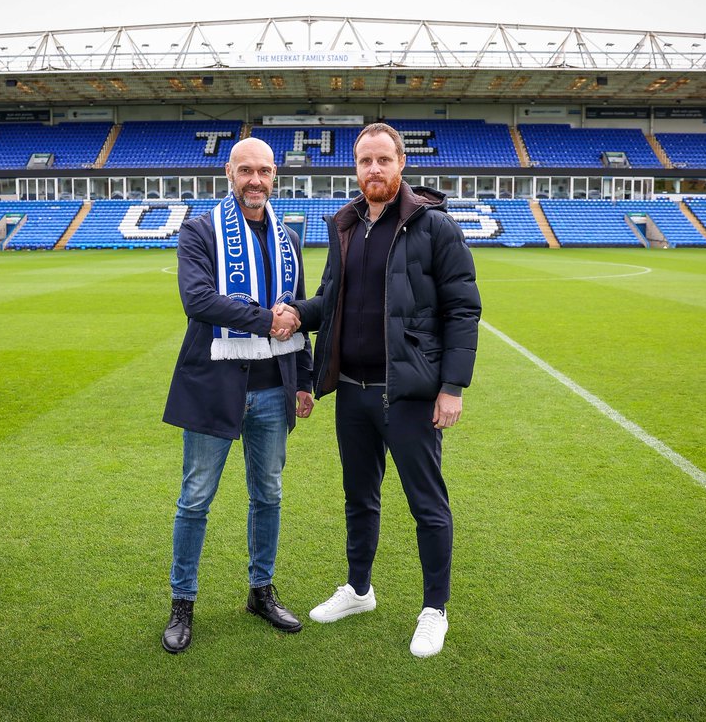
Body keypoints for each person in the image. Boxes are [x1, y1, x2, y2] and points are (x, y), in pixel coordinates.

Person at [278, 122, 480, 658]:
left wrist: (452, 386)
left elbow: (463, 308)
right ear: (356, 167)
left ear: (400, 165)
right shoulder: (345, 227)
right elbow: (330, 302)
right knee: (359, 498)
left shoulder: (434, 226)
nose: (373, 170)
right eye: (365, 161)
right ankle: (359, 590)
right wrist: (296, 313)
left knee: (426, 505)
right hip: (352, 391)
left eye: (382, 161)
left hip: (408, 394)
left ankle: (434, 609)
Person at [161, 137, 314, 654]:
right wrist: (264, 320)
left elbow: (296, 315)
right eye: (246, 170)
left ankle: (261, 591)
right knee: (196, 499)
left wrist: (307, 379)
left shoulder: (287, 238)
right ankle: (183, 603)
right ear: (229, 172)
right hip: (216, 387)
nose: (255, 180)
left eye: (264, 171)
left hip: (274, 390)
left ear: (275, 176)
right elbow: (198, 300)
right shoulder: (199, 231)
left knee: (267, 495)